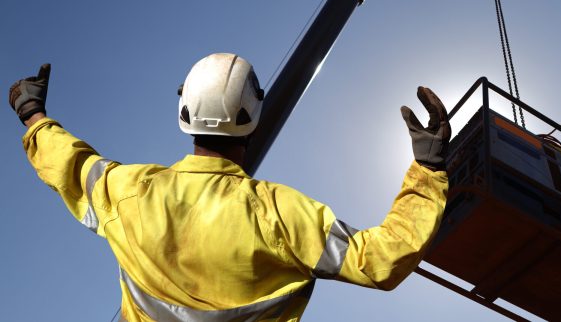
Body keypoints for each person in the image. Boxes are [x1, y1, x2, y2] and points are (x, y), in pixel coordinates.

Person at [9, 53, 451, 322]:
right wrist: (428, 169)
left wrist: (33, 112)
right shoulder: (281, 214)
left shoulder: (128, 192)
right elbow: (381, 260)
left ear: (185, 114)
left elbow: (71, 163)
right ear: (254, 123)